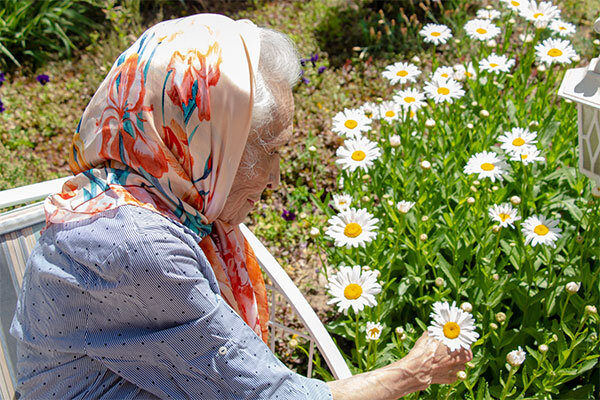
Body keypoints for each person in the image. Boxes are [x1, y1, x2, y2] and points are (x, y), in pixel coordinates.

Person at [10, 14, 471, 399]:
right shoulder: (135, 245)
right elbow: (271, 397)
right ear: (205, 145)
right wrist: (413, 372)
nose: (273, 178)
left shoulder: (154, 191)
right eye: (268, 151)